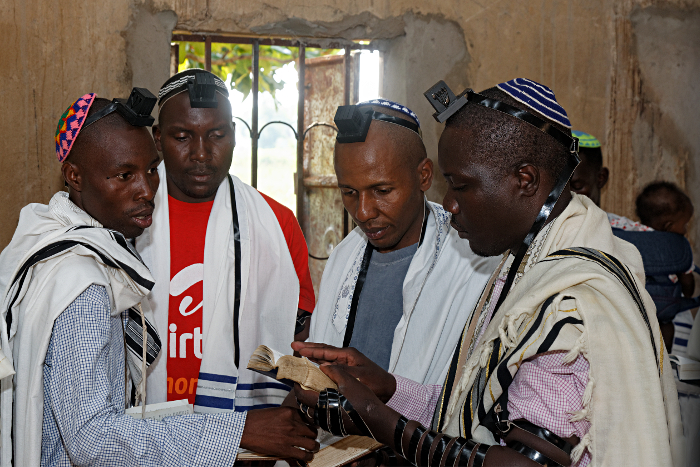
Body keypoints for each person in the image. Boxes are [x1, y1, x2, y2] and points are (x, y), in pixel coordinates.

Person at [294, 78, 684, 467]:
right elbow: (467, 414)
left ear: (525, 180)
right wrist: (388, 388)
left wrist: (381, 422)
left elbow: (524, 463)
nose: (449, 204)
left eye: (460, 185)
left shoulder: (571, 305)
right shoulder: (524, 265)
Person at [0, 91, 318, 466]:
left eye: (152, 170)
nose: (148, 190)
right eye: (125, 175)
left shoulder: (54, 240)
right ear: (74, 176)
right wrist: (239, 431)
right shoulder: (80, 282)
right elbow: (92, 439)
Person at [135, 69, 316, 419]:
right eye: (183, 136)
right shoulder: (128, 221)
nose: (201, 153)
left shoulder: (275, 225)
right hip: (145, 429)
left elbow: (297, 342)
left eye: (216, 135)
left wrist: (288, 412)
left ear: (234, 135)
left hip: (250, 431)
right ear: (158, 139)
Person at [307, 99, 498, 388]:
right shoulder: (345, 256)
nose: (363, 212)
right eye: (348, 192)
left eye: (382, 190)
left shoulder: (473, 260)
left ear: (423, 176)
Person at [569, 130, 609, 206]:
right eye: (559, 188)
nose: (566, 197)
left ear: (601, 178)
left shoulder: (608, 218)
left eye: (577, 186)